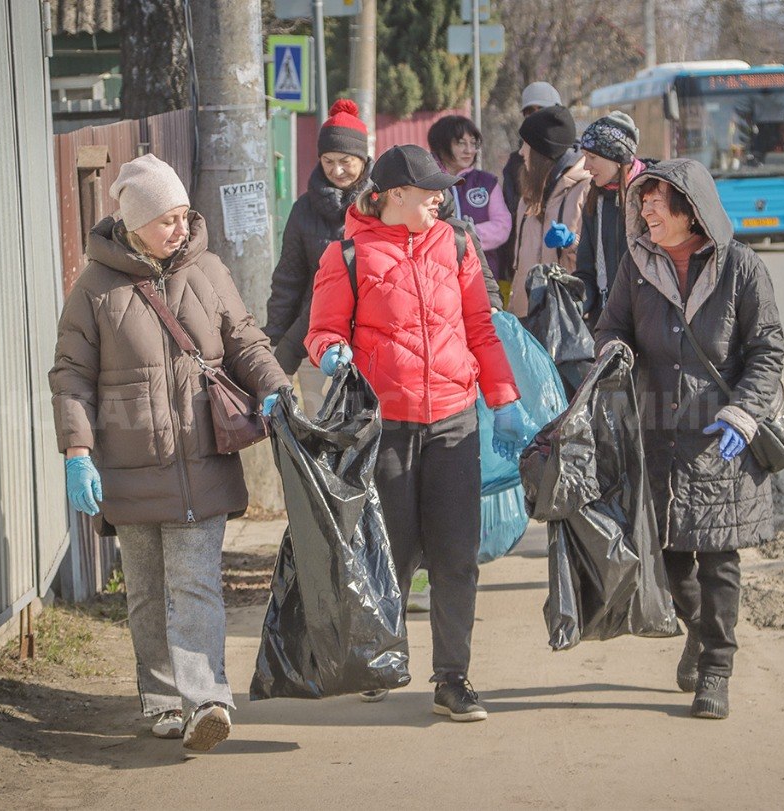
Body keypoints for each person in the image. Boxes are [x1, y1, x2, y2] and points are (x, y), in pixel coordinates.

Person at [50, 154, 290, 750]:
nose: (180, 229)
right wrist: (77, 449)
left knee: (195, 584)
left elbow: (245, 340)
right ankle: (161, 699)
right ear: (134, 223)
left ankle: (206, 699)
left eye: (184, 216)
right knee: (147, 593)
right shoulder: (96, 288)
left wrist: (276, 387)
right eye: (166, 220)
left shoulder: (207, 270)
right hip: (127, 469)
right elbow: (71, 374)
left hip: (202, 461)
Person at [304, 144, 535, 722]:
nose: (441, 197)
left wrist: (503, 400)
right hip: (389, 426)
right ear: (395, 195)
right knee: (393, 554)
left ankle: (452, 679)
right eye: (430, 189)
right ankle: (379, 655)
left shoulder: (455, 244)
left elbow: (481, 326)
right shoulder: (348, 255)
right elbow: (322, 330)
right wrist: (331, 352)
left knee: (458, 554)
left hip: (454, 420)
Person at [594, 158, 784, 721]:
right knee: (670, 558)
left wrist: (742, 413)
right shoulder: (637, 265)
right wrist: (613, 356)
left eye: (654, 200)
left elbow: (767, 349)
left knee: (719, 559)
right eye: (642, 202)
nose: (644, 210)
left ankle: (717, 671)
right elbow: (611, 328)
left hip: (720, 436)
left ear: (690, 208)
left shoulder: (742, 268)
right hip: (656, 436)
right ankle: (699, 634)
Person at [264, 99, 371, 416]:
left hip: (372, 343)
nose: (337, 170)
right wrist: (275, 340)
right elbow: (288, 280)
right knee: (321, 428)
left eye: (345, 161)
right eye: (328, 161)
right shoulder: (304, 209)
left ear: (362, 158)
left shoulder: (383, 203)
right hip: (315, 342)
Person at [506, 104, 593, 317]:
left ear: (542, 153)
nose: (520, 152)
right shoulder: (528, 193)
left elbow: (598, 259)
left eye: (526, 145)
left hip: (565, 317)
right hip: (525, 317)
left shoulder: (586, 189)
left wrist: (571, 242)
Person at [575, 111, 650, 327]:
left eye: (592, 157)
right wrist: (574, 303)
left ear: (616, 158)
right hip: (607, 322)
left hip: (648, 322)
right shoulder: (595, 198)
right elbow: (586, 272)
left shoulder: (652, 195)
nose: (586, 166)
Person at [499, 81, 563, 299]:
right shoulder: (515, 163)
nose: (536, 117)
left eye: (542, 110)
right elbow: (511, 217)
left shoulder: (579, 164)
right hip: (526, 276)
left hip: (562, 281)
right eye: (530, 112)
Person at [427, 114, 511, 280]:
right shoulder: (427, 182)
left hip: (481, 275)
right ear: (442, 145)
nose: (469, 150)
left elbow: (502, 225)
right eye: (461, 143)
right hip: (437, 274)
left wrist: (468, 234)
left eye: (473, 143)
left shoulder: (487, 183)